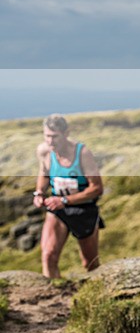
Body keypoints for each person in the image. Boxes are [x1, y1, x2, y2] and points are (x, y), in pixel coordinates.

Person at [33, 114, 104, 279]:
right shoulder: (44, 151)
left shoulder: (82, 153)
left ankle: (95, 295)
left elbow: (97, 188)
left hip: (83, 209)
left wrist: (65, 200)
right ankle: (53, 297)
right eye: (47, 136)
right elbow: (44, 174)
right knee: (48, 255)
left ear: (66, 133)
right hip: (57, 208)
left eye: (55, 136)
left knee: (90, 263)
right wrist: (39, 192)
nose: (50, 141)